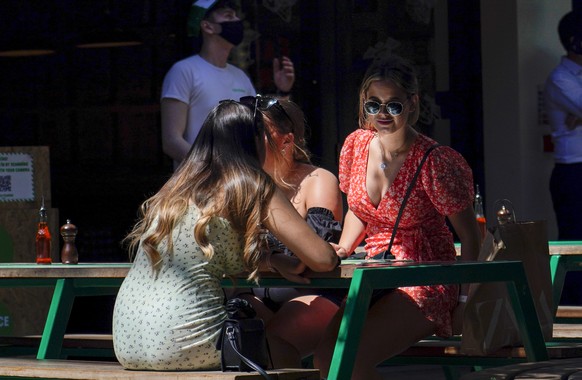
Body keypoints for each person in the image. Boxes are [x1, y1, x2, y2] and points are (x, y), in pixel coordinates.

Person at [112, 100, 339, 371]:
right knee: (282, 352)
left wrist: (271, 259)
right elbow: (322, 258)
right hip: (185, 343)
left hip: (126, 342)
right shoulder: (251, 184)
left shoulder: (176, 188)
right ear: (250, 141)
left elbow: (216, 255)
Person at [313, 56, 481, 380]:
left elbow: (472, 237)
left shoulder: (435, 161)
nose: (382, 115)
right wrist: (345, 247)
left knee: (352, 360)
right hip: (376, 273)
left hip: (427, 277)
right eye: (374, 104)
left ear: (412, 103)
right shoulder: (355, 146)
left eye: (394, 106)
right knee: (324, 359)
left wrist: (464, 301)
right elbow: (360, 212)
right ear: (364, 102)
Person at [235, 98, 344, 368]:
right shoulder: (244, 185)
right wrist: (271, 260)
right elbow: (229, 252)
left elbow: (307, 257)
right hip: (260, 293)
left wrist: (261, 256)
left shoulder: (317, 180)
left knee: (271, 341)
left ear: (287, 140)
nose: (251, 140)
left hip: (316, 292)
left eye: (260, 131)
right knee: (230, 330)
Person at [161, 0, 295, 169]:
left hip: (239, 182)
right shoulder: (183, 71)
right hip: (199, 188)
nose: (237, 21)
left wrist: (282, 90)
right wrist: (213, 170)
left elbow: (260, 125)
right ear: (207, 27)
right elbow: (171, 141)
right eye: (228, 16)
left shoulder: (240, 76)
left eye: (236, 16)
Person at [545, 10, 582, 304]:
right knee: (575, 242)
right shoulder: (560, 77)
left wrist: (578, 117)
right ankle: (571, 308)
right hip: (572, 173)